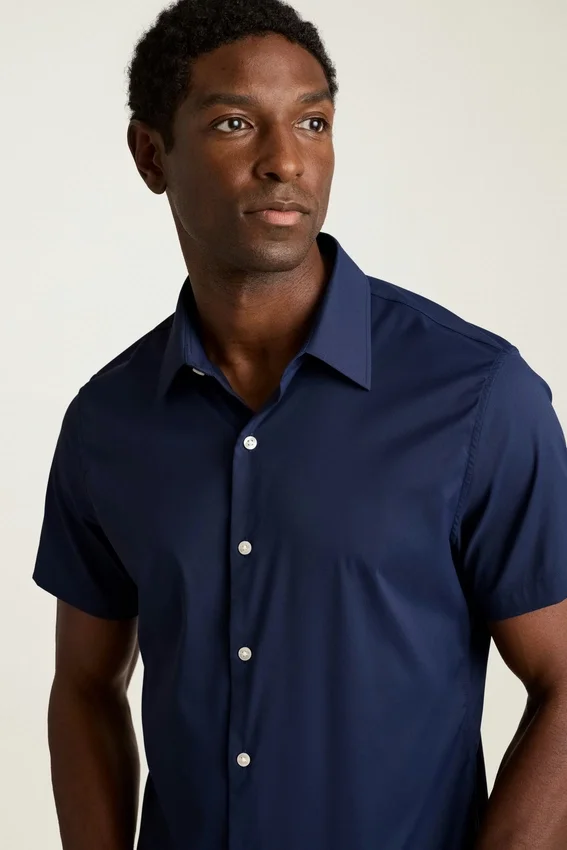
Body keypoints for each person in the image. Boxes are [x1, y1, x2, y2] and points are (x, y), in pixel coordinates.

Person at [32, 1, 567, 848]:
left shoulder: (475, 394)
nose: (286, 160)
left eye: (312, 122)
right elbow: (85, 687)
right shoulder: (108, 422)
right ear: (151, 154)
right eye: (236, 123)